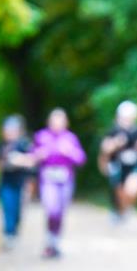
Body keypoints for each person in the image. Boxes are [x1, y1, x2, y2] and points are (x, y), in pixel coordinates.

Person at [33, 108, 86, 258]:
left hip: (65, 179)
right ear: (49, 122)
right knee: (52, 208)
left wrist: (70, 152)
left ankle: (55, 242)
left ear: (66, 123)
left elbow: (81, 159)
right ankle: (50, 239)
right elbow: (32, 156)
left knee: (61, 211)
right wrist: (39, 155)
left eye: (60, 121)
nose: (57, 124)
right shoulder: (41, 136)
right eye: (54, 120)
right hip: (48, 178)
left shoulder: (71, 138)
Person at [99, 100, 137, 224]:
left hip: (134, 166)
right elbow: (105, 149)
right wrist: (116, 143)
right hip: (118, 167)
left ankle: (128, 210)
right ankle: (120, 211)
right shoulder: (114, 130)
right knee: (119, 192)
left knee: (133, 190)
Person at [0, 115, 35, 250]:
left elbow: (32, 161)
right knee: (7, 208)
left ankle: (14, 231)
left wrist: (20, 160)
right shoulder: (1, 145)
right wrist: (5, 163)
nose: (9, 133)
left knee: (17, 210)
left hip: (20, 183)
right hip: (6, 183)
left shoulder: (23, 144)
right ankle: (8, 234)